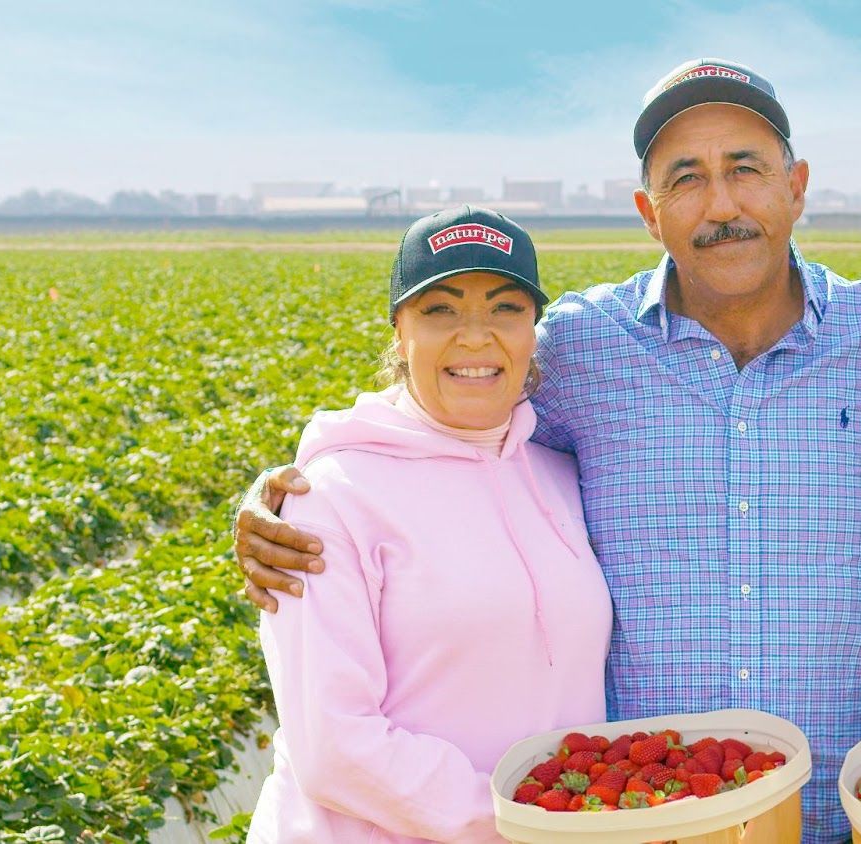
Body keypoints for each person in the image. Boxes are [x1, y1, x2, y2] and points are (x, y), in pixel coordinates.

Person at [232, 59, 861, 844]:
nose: (720, 203)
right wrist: (299, 486)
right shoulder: (579, 353)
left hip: (847, 810)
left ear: (797, 186)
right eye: (686, 178)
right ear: (648, 211)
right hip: (655, 816)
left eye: (745, 170)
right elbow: (450, 404)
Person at [246, 207, 611, 842]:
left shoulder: (560, 475)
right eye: (439, 310)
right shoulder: (328, 498)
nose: (475, 336)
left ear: (534, 330)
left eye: (506, 308)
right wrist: (519, 819)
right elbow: (335, 746)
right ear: (399, 330)